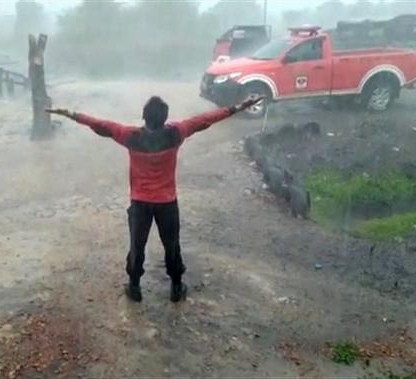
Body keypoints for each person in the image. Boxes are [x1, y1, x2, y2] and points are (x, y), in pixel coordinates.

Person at [46, 96, 262, 302]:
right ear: (164, 118)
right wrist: (238, 107)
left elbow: (100, 125)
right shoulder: (176, 133)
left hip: (140, 203)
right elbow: (206, 119)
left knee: (137, 245)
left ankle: (134, 287)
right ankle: (176, 287)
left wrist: (70, 113)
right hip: (167, 202)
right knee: (172, 245)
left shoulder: (130, 136)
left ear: (144, 116)